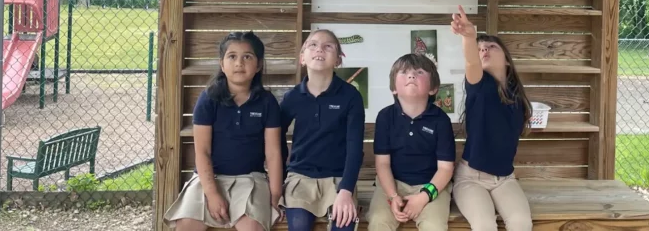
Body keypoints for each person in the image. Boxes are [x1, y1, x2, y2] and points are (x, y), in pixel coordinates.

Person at [164, 31, 283, 231]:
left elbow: (273, 153)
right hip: (210, 178)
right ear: (222, 64)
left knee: (253, 227)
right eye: (232, 56)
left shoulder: (267, 102)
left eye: (247, 56)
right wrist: (212, 194)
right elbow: (202, 152)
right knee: (186, 225)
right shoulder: (208, 99)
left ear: (259, 65)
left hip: (251, 180)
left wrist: (275, 196)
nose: (239, 63)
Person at [450, 6, 534, 231]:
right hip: (471, 179)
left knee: (521, 224)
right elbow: (471, 62)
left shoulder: (517, 96)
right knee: (485, 225)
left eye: (491, 46)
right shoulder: (479, 85)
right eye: (480, 48)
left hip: (505, 179)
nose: (484, 50)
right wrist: (469, 36)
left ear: (507, 60)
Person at [279, 29, 365, 231]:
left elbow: (355, 149)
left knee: (344, 225)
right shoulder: (292, 97)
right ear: (302, 57)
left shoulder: (350, 96)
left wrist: (346, 190)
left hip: (338, 180)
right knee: (298, 226)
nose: (320, 49)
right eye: (313, 45)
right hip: (300, 178)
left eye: (328, 46)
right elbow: (274, 139)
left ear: (338, 59)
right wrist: (279, 183)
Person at [367, 54, 455, 231]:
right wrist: (392, 197)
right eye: (404, 72)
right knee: (378, 222)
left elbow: (445, 168)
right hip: (393, 184)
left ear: (433, 88)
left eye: (419, 72)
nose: (411, 76)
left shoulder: (441, 120)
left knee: (434, 226)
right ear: (393, 88)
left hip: (431, 185)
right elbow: (382, 164)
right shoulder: (385, 117)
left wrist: (423, 197)